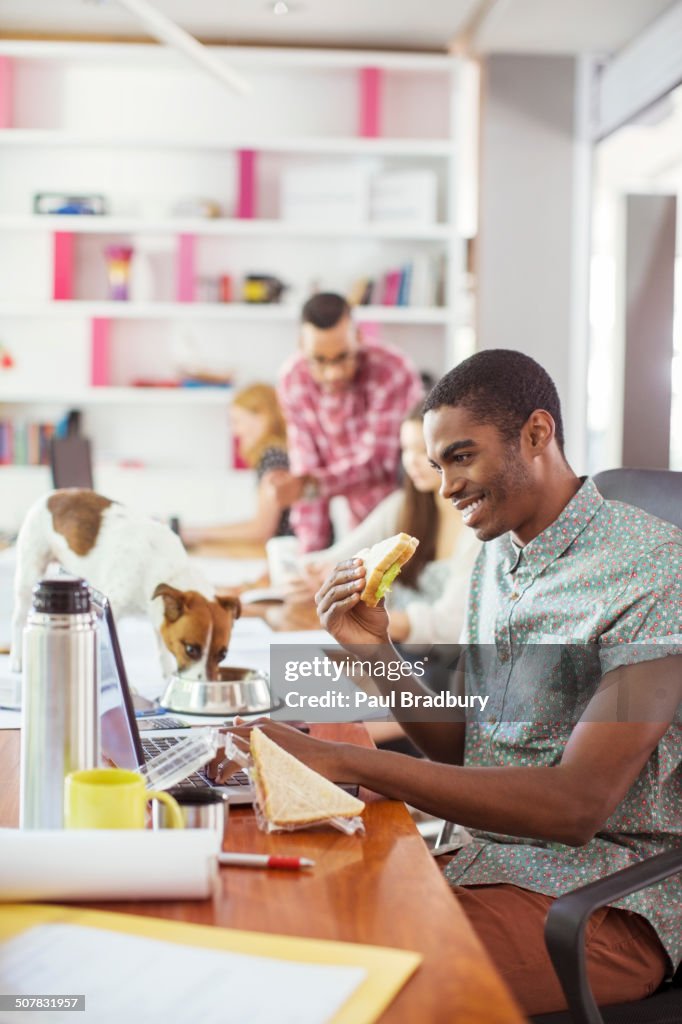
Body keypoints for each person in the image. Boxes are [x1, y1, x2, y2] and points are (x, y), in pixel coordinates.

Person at [214, 350, 681, 1016]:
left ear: (537, 435)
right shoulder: (499, 557)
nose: (446, 486)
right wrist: (373, 652)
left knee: (349, 981)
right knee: (295, 917)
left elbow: (577, 806)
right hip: (488, 863)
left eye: (462, 457)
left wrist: (343, 760)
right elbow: (473, 747)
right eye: (440, 466)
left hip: (605, 901)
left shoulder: (655, 572)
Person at [298, 404, 481, 646]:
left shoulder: (479, 528)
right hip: (392, 649)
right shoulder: (400, 506)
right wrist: (317, 572)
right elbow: (340, 557)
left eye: (422, 450)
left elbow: (450, 626)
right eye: (406, 449)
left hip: (440, 668)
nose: (411, 461)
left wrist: (373, 623)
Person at [270, 292, 423, 552]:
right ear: (301, 346)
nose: (333, 373)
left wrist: (311, 485)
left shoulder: (392, 370)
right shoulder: (292, 379)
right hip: (347, 522)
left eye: (342, 357)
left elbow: (378, 465)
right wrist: (309, 557)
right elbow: (305, 468)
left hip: (402, 516)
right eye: (319, 360)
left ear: (359, 337)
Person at [182, 383, 292, 547]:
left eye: (237, 421)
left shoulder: (273, 458)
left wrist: (194, 533)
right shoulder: (279, 455)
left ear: (262, 417)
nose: (234, 431)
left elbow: (261, 530)